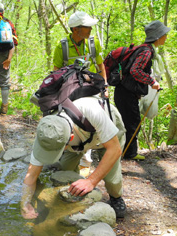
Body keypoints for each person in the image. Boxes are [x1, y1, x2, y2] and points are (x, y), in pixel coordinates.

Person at [21, 96, 127, 219]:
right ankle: (75, 196)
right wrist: (25, 202)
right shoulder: (47, 133)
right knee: (65, 169)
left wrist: (91, 181)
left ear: (70, 139)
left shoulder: (91, 111)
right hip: (78, 141)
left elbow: (115, 150)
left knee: (111, 176)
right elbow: (31, 175)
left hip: (108, 136)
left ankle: (116, 197)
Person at [53, 11, 107, 173]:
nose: (90, 29)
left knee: (89, 123)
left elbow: (100, 66)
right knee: (72, 124)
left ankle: (85, 161)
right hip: (70, 92)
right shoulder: (61, 47)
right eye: (87, 26)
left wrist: (105, 87)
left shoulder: (93, 43)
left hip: (90, 90)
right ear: (76, 29)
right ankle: (68, 154)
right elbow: (56, 72)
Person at [114, 20, 168, 160]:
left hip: (125, 91)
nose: (166, 36)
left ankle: (126, 152)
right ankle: (128, 154)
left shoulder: (145, 49)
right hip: (126, 92)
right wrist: (152, 82)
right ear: (157, 36)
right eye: (164, 34)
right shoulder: (146, 51)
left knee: (130, 121)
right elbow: (135, 70)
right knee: (132, 122)